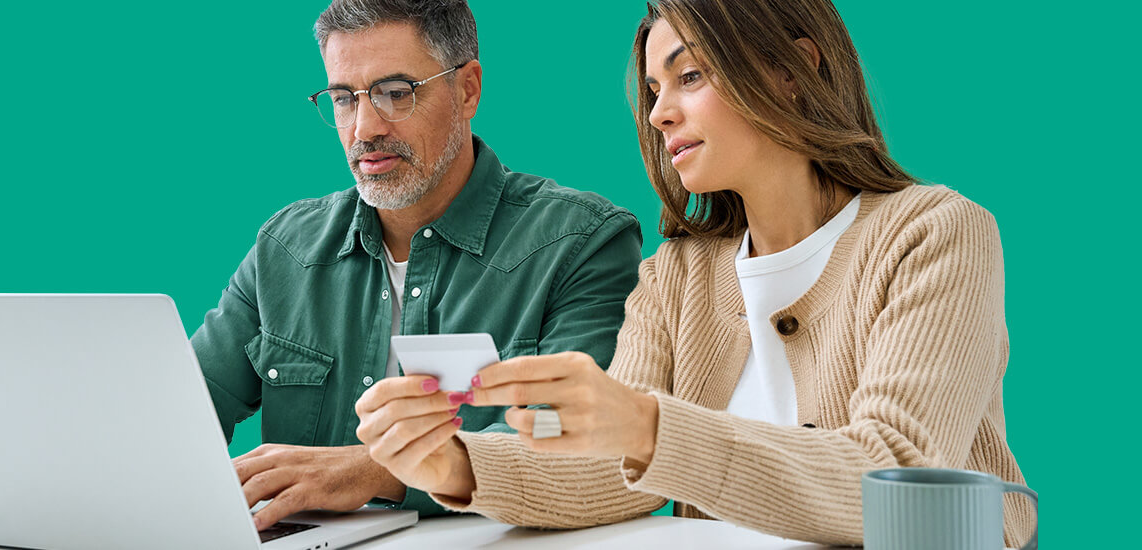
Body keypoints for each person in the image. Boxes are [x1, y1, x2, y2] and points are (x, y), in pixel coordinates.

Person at [353, 0, 1036, 545]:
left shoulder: (934, 233)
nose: (658, 112)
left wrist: (650, 427)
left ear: (791, 71)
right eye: (653, 89)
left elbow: (899, 477)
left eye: (690, 76)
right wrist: (455, 463)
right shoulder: (678, 272)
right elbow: (616, 474)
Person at [191, 0, 642, 530]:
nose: (364, 128)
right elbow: (178, 413)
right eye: (343, 99)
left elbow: (588, 443)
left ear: (468, 89)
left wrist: (378, 469)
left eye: (395, 93)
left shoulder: (580, 243)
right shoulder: (284, 248)